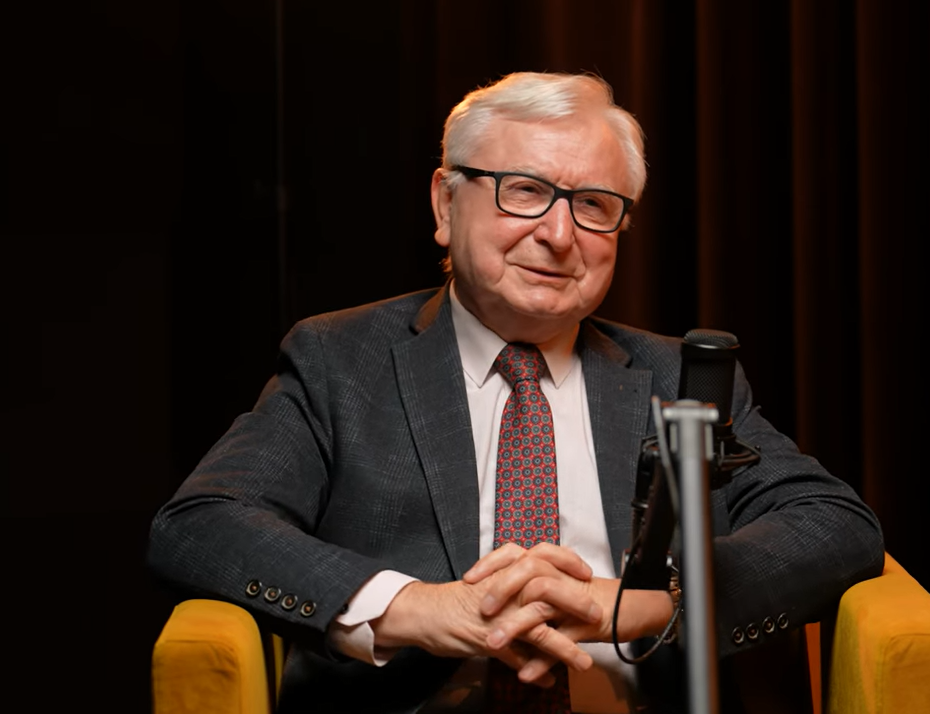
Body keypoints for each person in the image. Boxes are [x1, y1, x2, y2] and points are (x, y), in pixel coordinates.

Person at [148, 72, 884, 714]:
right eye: (525, 191)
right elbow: (201, 523)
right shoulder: (342, 360)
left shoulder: (675, 376)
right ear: (445, 204)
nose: (559, 234)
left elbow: (835, 524)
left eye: (593, 204)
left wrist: (642, 604)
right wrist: (413, 606)